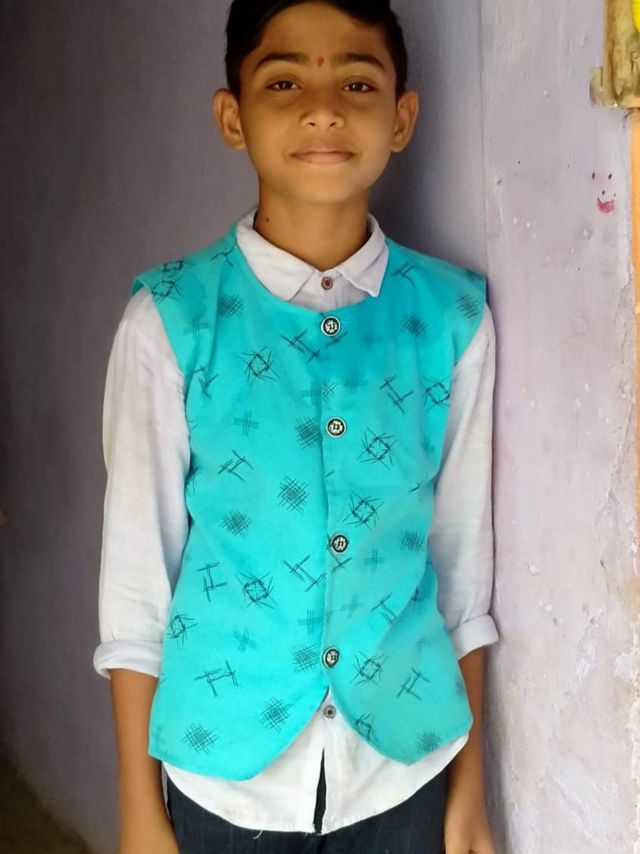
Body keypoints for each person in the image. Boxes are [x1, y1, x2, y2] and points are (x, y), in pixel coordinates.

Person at [93, 1, 500, 852]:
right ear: (232, 116)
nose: (323, 109)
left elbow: (462, 567)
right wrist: (138, 806)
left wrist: (469, 790)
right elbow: (137, 582)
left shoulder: (453, 319)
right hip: (224, 784)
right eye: (284, 82)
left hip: (404, 772)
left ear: (403, 117)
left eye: (358, 82)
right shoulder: (170, 323)